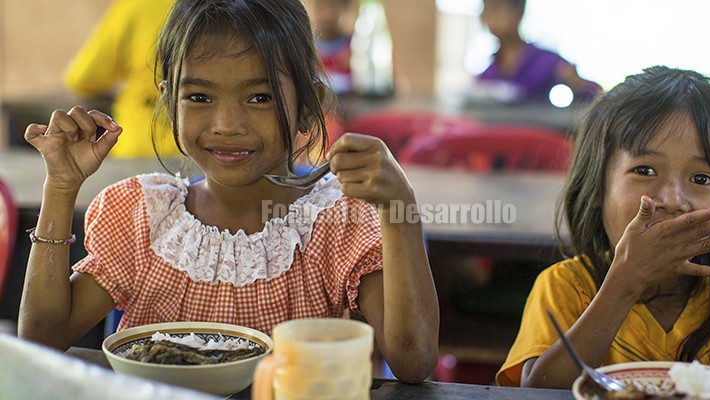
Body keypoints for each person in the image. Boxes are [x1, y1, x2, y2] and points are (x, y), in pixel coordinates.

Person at [18, 0, 439, 384]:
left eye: (259, 97)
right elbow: (42, 339)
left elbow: (413, 361)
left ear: (307, 104)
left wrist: (398, 209)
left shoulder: (335, 223)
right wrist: (60, 187)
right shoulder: (145, 217)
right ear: (169, 101)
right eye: (199, 96)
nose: (226, 123)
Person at [495, 66, 710, 399]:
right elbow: (538, 392)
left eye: (701, 178)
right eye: (645, 170)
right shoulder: (566, 288)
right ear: (597, 191)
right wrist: (625, 283)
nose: (673, 200)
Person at [63, 0, 178, 158]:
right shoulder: (218, 7)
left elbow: (82, 78)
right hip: (205, 149)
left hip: (142, 146)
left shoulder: (137, 6)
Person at [475, 0, 601, 104]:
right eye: (485, 10)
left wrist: (578, 85)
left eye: (495, 9)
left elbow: (594, 97)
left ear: (519, 12)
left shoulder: (549, 63)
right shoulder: (487, 74)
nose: (487, 17)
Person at [306, 0, 354, 95]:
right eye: (319, 6)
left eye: (332, 6)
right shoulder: (304, 49)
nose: (326, 14)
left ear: (344, 7)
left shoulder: (355, 46)